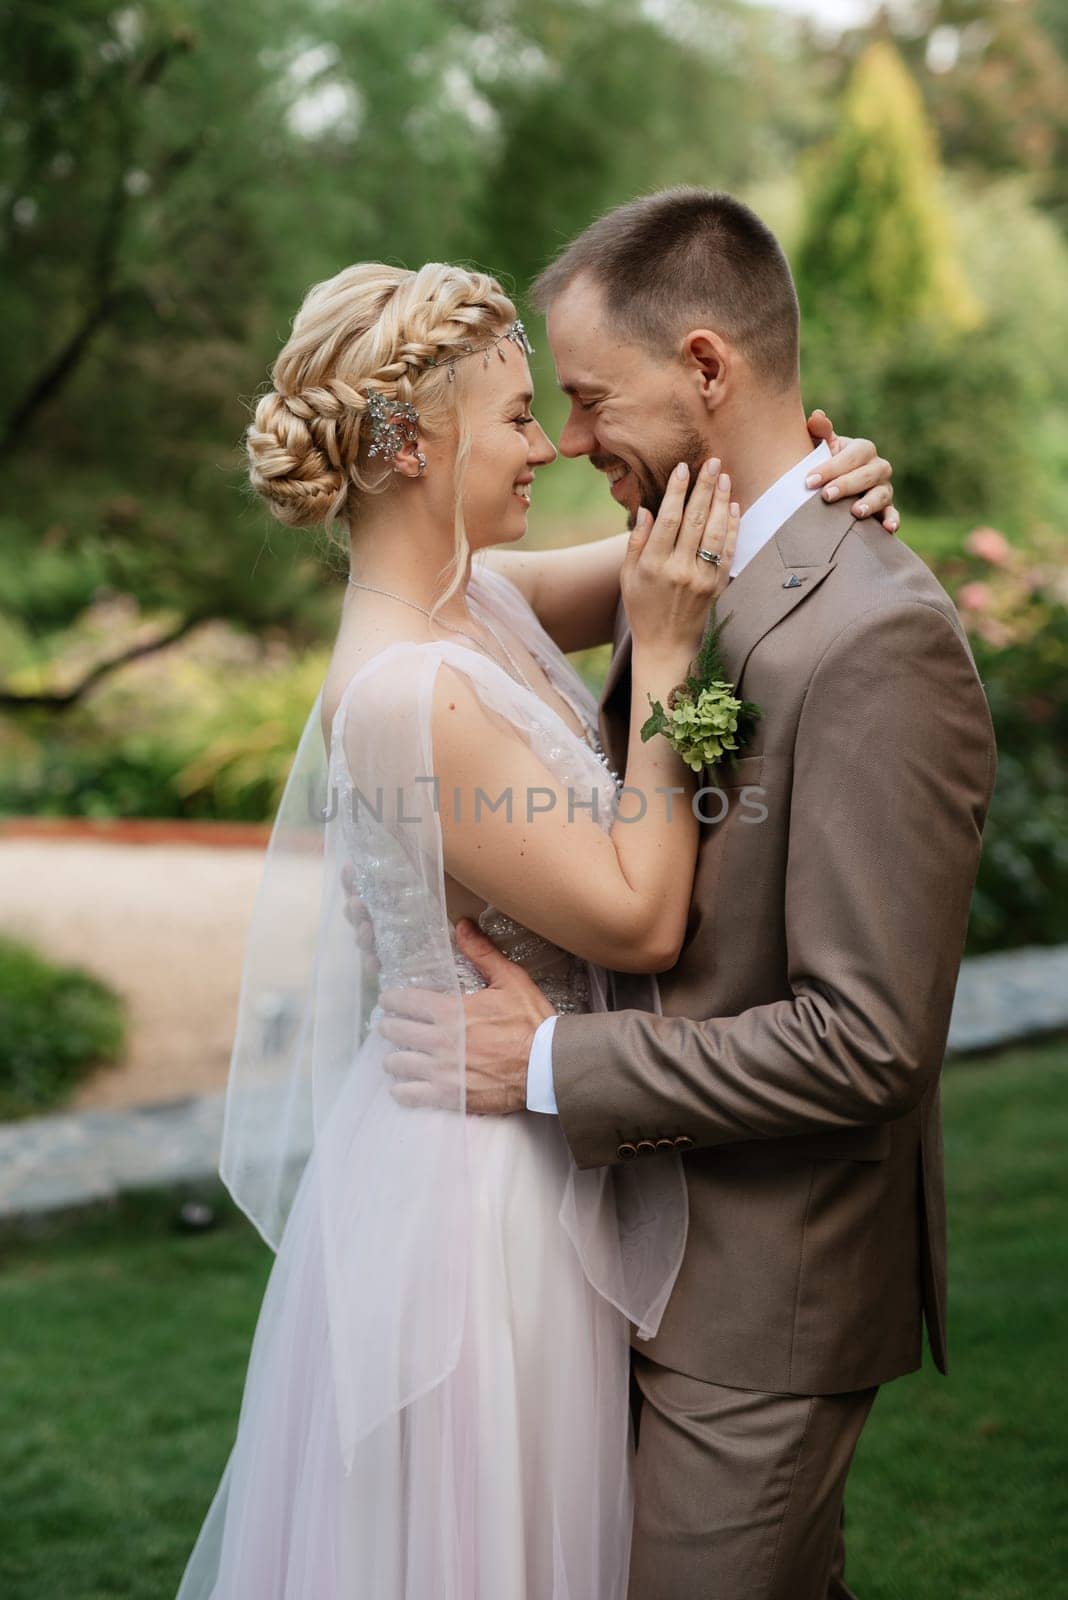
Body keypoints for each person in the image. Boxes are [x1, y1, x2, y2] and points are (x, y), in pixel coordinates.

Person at [174, 253, 899, 1599]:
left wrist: (822, 476)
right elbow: (637, 915)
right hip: (474, 1202)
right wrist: (671, 668)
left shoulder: (480, 605)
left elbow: (685, 550)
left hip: (533, 1144)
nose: (548, 448)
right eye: (516, 415)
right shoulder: (402, 693)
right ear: (404, 445)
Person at [381, 190, 998, 1599]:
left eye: (592, 399)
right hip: (624, 1252)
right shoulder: (694, 561)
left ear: (708, 368)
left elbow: (868, 1044)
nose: (574, 439)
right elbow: (443, 586)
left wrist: (545, 1062)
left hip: (762, 1297)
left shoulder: (878, 638)